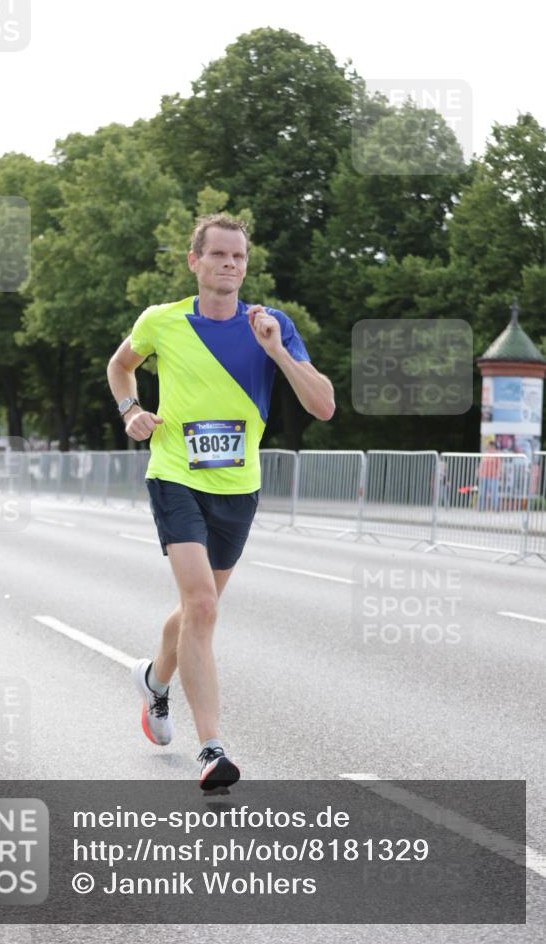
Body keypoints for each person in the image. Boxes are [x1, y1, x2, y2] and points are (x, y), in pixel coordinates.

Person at [107, 214, 335, 791]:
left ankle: (154, 680)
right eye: (218, 254)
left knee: (196, 610)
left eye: (238, 256)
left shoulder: (271, 324)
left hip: (238, 488)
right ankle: (212, 750)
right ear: (195, 261)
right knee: (203, 606)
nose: (230, 264)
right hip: (175, 475)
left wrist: (277, 351)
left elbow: (324, 405)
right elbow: (120, 366)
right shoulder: (161, 320)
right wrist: (131, 411)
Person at [478, 442, 501, 511]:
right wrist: (479, 471)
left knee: (494, 493)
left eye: (489, 446)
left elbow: (499, 466)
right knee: (482, 492)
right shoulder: (485, 454)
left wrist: (498, 474)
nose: (487, 447)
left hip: (493, 476)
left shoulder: (497, 455)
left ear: (492, 447)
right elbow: (481, 464)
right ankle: (481, 507)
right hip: (483, 476)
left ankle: (495, 508)